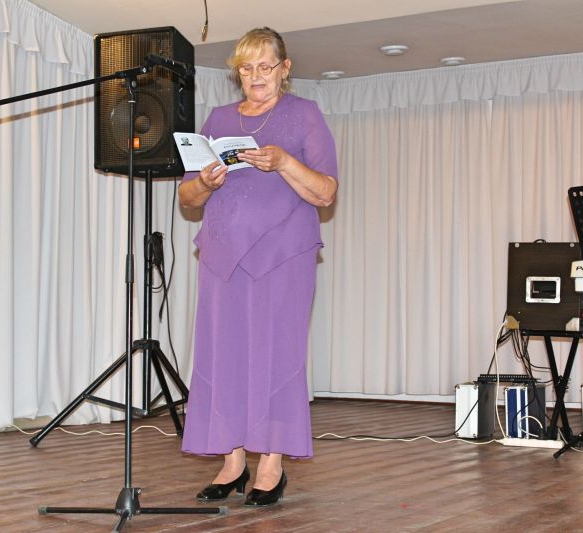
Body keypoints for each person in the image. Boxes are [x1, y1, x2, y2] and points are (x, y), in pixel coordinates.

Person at [179, 27, 338, 507]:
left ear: (284, 69)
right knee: (221, 355)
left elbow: (326, 192)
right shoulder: (218, 119)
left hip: (283, 256)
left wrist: (284, 162)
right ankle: (232, 463)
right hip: (222, 255)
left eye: (265, 66)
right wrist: (206, 182)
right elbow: (187, 197)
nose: (255, 76)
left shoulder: (304, 114)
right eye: (246, 68)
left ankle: (271, 465)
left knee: (277, 356)